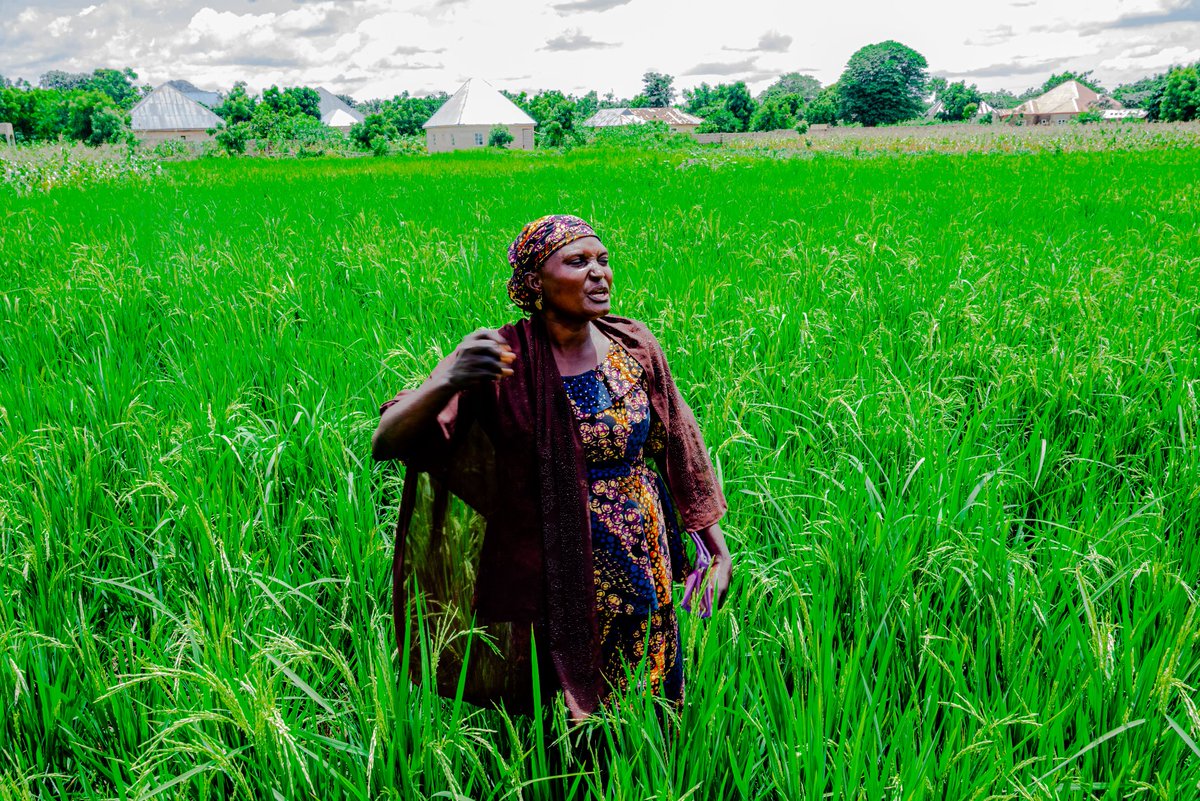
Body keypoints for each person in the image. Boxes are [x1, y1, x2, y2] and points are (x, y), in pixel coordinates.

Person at [373, 214, 732, 721]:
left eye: (603, 261)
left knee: (649, 702)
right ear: (534, 282)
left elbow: (680, 443)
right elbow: (388, 441)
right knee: (563, 715)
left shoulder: (633, 345)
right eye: (578, 261)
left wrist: (717, 550)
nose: (598, 274)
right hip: (553, 571)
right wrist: (447, 380)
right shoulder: (501, 358)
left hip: (643, 559)